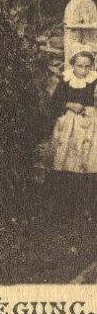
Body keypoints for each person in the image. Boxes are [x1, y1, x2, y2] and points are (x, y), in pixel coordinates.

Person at [50, 48, 97, 212]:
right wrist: (69, 104)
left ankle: (87, 202)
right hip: (69, 127)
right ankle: (66, 201)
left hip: (90, 126)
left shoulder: (94, 80)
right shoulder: (66, 80)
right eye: (80, 66)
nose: (83, 70)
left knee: (88, 160)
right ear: (72, 65)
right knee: (68, 159)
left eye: (87, 66)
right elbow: (54, 103)